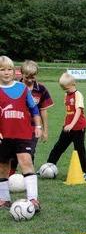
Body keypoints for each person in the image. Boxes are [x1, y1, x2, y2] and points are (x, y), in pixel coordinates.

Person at [0, 56, 43, 210]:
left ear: (14, 71)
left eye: (9, 69)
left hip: (23, 134)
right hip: (4, 136)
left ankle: (33, 199)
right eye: (2, 69)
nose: (6, 72)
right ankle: (4, 199)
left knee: (26, 162)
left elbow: (34, 109)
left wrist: (38, 126)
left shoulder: (22, 88)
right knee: (3, 166)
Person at [8, 60, 53, 175]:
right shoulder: (13, 86)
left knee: (29, 153)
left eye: (32, 77)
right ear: (21, 73)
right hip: (15, 126)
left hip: (33, 128)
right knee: (13, 152)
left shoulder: (41, 89)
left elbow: (43, 111)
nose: (29, 80)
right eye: (27, 77)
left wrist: (45, 131)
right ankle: (11, 175)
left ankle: (28, 176)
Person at [46, 72, 86, 180]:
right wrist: (66, 124)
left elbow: (78, 111)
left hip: (78, 128)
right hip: (68, 127)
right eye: (63, 89)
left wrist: (72, 124)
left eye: (66, 88)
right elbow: (68, 112)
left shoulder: (78, 95)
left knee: (79, 150)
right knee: (58, 147)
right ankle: (48, 166)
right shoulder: (66, 95)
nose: (65, 91)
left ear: (73, 84)